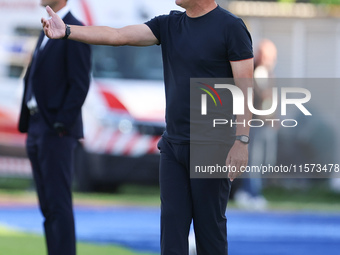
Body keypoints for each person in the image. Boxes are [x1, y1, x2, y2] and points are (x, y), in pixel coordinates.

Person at [41, 0, 253, 254]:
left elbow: (246, 89)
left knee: (210, 234)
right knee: (171, 234)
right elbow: (117, 35)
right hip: (173, 146)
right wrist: (67, 31)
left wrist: (241, 140)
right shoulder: (168, 24)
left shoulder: (231, 27)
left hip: (212, 147)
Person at [18, 0, 91, 254]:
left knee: (58, 205)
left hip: (56, 131)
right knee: (47, 206)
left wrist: (61, 123)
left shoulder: (75, 30)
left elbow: (80, 83)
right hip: (37, 126)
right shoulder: (46, 29)